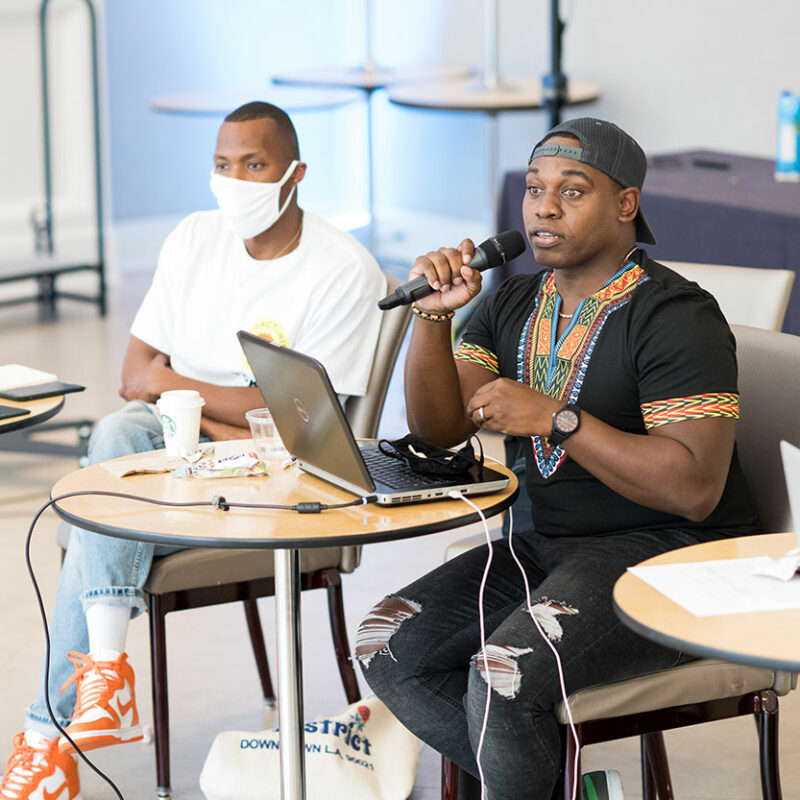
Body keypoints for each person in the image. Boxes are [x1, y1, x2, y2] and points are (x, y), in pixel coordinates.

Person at [354, 118, 759, 800]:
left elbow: (692, 489)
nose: (544, 208)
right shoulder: (514, 300)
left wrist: (556, 419)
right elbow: (439, 428)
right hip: (545, 547)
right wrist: (433, 317)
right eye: (534, 189)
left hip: (670, 558)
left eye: (572, 191)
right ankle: (571, 789)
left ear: (626, 204)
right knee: (385, 645)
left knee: (503, 680)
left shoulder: (675, 315)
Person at [1, 101, 385, 799]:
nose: (233, 180)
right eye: (222, 164)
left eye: (254, 165)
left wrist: (179, 394)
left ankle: (45, 739)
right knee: (117, 435)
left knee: (98, 514)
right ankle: (106, 672)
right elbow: (133, 376)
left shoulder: (342, 269)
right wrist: (223, 417)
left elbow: (304, 424)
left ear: (295, 173)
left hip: (280, 482)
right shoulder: (194, 239)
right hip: (199, 453)